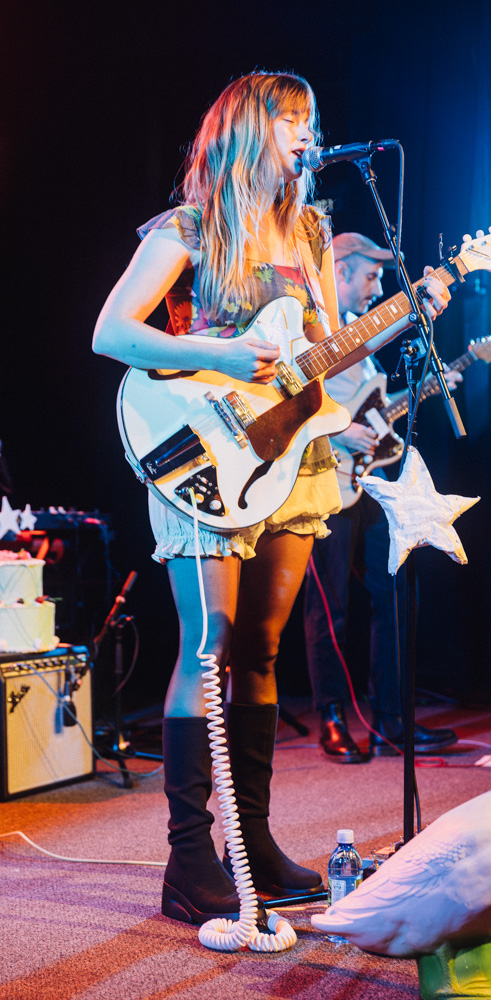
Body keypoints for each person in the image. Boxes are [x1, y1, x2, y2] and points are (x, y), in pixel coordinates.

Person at [92, 72, 450, 925]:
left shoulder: (314, 227)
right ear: (249, 129)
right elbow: (110, 332)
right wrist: (218, 358)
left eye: (311, 119)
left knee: (259, 649)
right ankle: (187, 861)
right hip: (203, 448)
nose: (305, 132)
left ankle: (248, 846)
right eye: (289, 118)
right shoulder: (190, 226)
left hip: (290, 457)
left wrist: (410, 311)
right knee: (209, 646)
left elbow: (326, 350)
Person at [303, 233, 461, 763]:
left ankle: (392, 721)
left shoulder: (364, 349)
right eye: (370, 277)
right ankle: (332, 718)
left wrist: (429, 388)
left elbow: (372, 411)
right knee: (331, 610)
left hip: (370, 482)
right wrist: (339, 431)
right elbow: (290, 404)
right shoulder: (312, 330)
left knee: (396, 593)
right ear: (340, 272)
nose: (376, 288)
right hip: (325, 478)